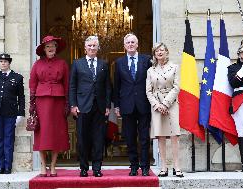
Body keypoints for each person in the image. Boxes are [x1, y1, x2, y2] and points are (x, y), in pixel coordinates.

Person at [69, 36, 111, 177]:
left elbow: (107, 87)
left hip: (99, 107)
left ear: (98, 48)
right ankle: (83, 168)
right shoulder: (77, 63)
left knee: (98, 138)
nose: (92, 48)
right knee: (82, 138)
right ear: (85, 47)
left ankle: (97, 168)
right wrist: (73, 105)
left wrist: (107, 105)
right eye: (90, 46)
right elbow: (72, 86)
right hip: (82, 106)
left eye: (94, 46)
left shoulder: (104, 64)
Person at [29, 35, 70, 177]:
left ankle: (53, 165)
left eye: (53, 45)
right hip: (41, 102)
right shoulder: (37, 64)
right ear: (44, 49)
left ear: (56, 48)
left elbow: (67, 84)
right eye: (48, 46)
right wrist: (32, 104)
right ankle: (42, 165)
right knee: (42, 133)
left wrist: (67, 103)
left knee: (56, 133)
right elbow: (32, 84)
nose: (51, 48)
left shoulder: (63, 63)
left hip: (58, 101)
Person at [113, 33, 151, 176]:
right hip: (126, 105)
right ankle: (134, 166)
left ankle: (145, 167)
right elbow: (116, 85)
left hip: (143, 104)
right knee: (129, 138)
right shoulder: (119, 62)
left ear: (137, 44)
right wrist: (116, 105)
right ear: (124, 46)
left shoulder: (146, 60)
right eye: (128, 42)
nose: (130, 44)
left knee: (144, 138)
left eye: (133, 42)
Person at [146, 43, 183, 177]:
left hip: (171, 104)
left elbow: (177, 87)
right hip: (157, 106)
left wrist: (166, 103)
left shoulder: (174, 67)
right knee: (160, 136)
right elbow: (148, 91)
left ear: (166, 52)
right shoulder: (150, 70)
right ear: (154, 54)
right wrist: (157, 105)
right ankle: (163, 167)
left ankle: (177, 166)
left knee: (174, 136)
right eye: (157, 51)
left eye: (162, 50)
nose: (159, 52)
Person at [228, 40, 243, 173]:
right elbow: (232, 83)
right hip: (239, 101)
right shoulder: (233, 68)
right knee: (242, 131)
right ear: (239, 54)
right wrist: (242, 71)